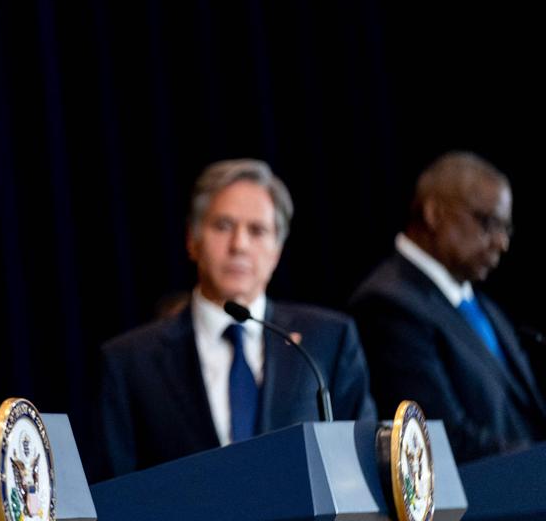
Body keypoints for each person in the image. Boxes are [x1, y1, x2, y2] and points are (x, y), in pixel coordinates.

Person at [97, 159, 375, 476]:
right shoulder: (130, 362)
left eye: (257, 230)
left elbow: (364, 471)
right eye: (223, 226)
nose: (239, 245)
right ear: (192, 239)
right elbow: (112, 492)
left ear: (277, 250)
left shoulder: (327, 341)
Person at [350, 151, 546, 462]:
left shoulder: (481, 304)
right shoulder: (388, 304)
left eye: (505, 229)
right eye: (488, 222)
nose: (501, 243)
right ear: (434, 213)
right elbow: (438, 437)